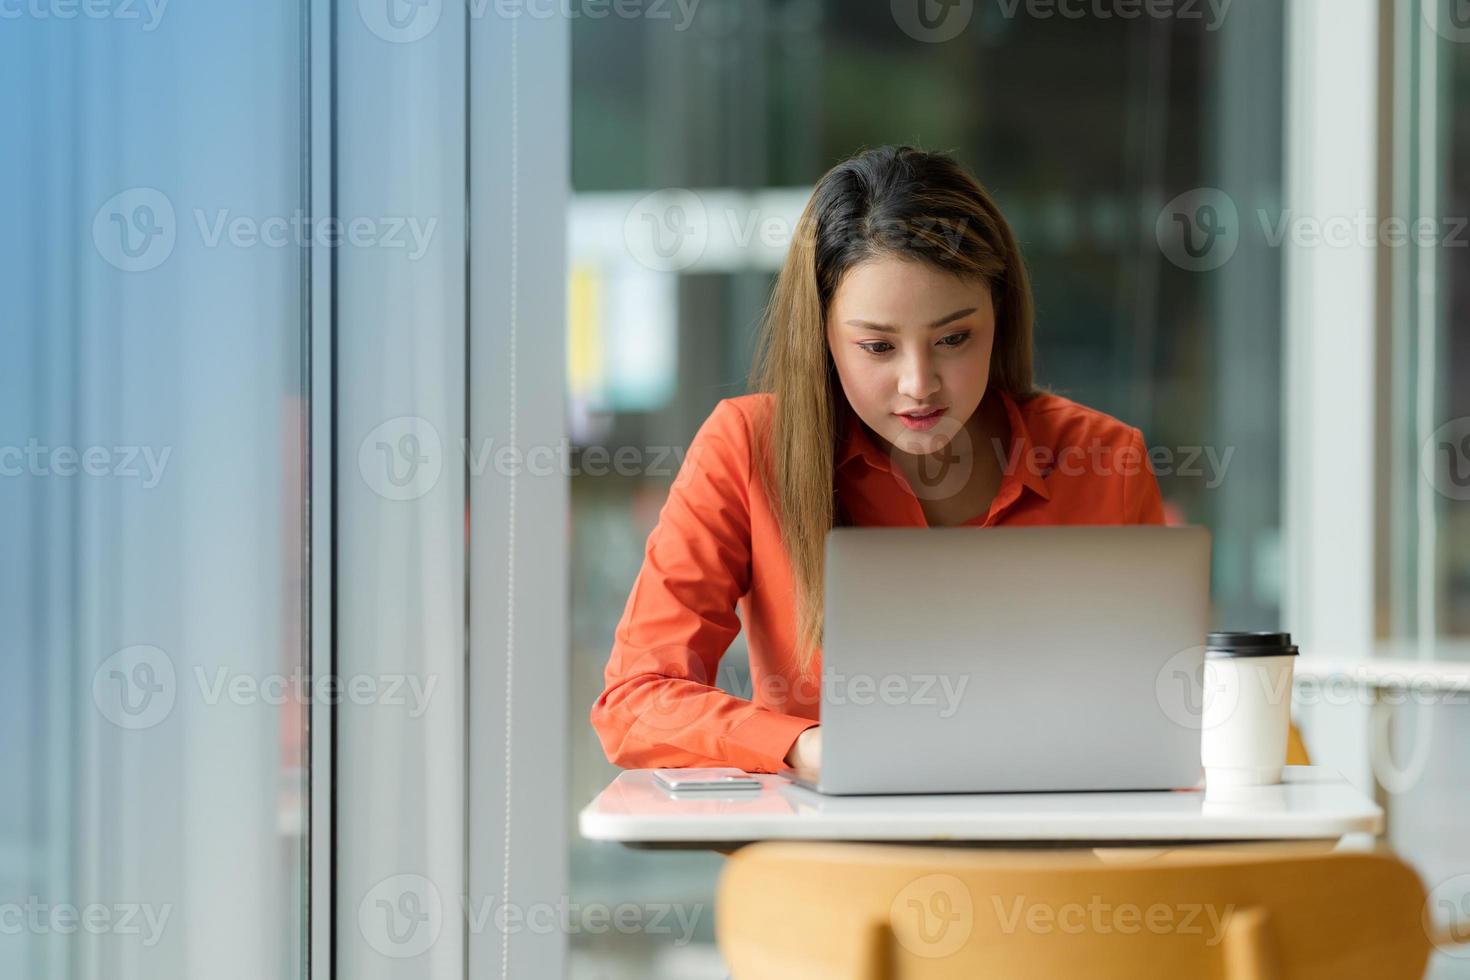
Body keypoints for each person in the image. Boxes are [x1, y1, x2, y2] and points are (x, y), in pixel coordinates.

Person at [590, 145, 1167, 777]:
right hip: (838, 858)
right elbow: (634, 702)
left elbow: (1158, 706)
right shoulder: (746, 447)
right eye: (877, 346)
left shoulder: (1104, 459)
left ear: (998, 317)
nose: (920, 383)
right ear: (823, 338)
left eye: (953, 338)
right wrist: (806, 748)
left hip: (1052, 847)